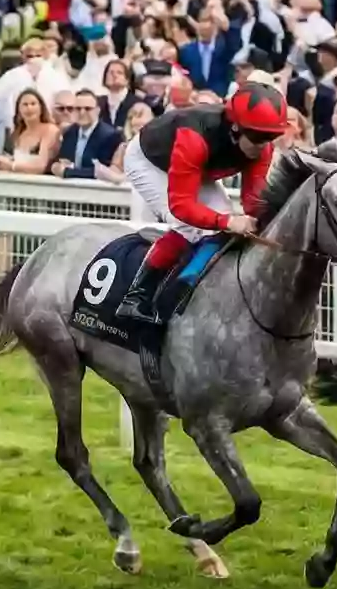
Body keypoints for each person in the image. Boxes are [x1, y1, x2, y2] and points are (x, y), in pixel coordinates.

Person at [115, 83, 288, 395]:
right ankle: (137, 298)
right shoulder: (194, 135)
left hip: (197, 168)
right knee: (194, 228)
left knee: (224, 229)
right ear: (235, 127)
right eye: (258, 137)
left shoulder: (261, 146)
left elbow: (253, 202)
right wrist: (226, 220)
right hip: (150, 162)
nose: (264, 145)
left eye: (271, 138)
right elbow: (182, 206)